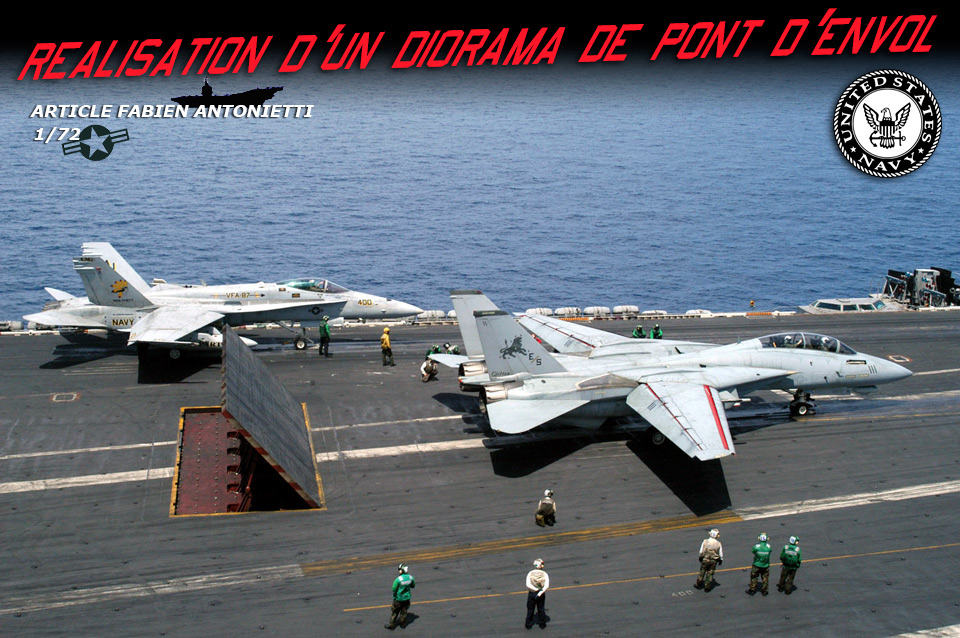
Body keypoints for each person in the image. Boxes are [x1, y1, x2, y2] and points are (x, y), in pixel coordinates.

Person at [385, 563, 415, 630]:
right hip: (406, 598)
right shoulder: (411, 577)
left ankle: (391, 625)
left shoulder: (398, 579)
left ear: (401, 571)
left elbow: (394, 589)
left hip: (398, 599)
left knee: (395, 612)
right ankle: (403, 624)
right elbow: (413, 586)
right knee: (404, 612)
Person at [525, 558, 549, 629]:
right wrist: (540, 592)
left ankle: (528, 624)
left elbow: (528, 584)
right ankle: (542, 624)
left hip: (532, 593)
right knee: (541, 609)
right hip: (541, 594)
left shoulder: (530, 573)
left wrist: (535, 590)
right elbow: (546, 585)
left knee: (530, 609)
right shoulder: (544, 574)